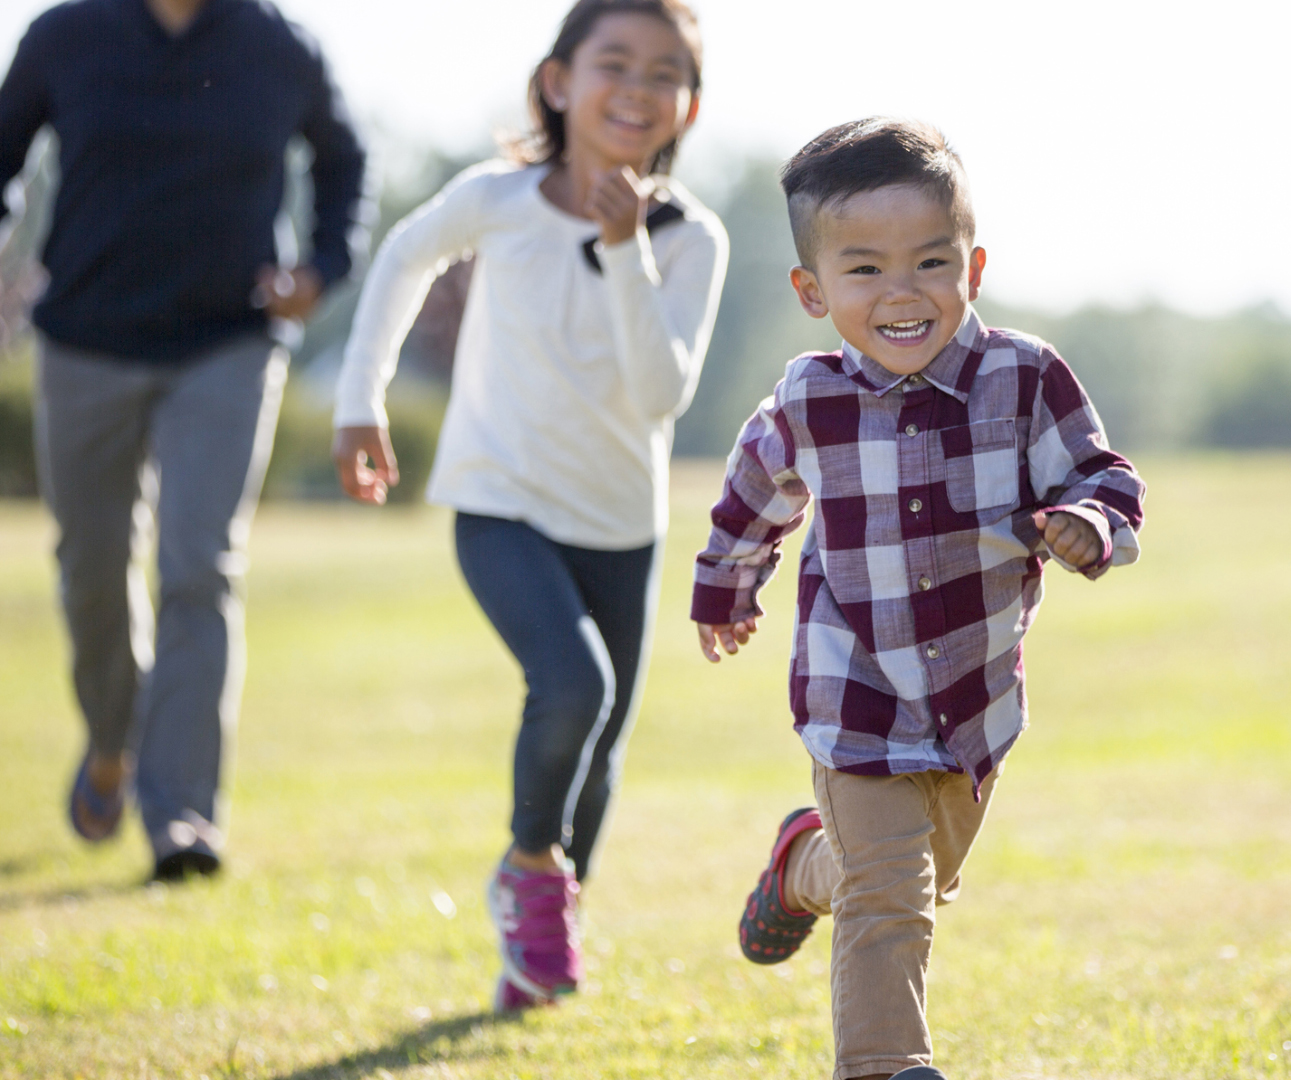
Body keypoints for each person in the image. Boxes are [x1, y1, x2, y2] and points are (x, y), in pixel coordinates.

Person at [694, 119, 1148, 1080]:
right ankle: (886, 1063)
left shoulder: (1024, 377)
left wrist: (1087, 522)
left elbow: (1101, 475)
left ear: (972, 267)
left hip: (975, 702)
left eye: (931, 262)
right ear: (813, 291)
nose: (902, 292)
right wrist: (725, 586)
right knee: (891, 898)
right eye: (864, 269)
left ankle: (800, 867)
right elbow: (752, 495)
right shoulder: (808, 400)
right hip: (855, 692)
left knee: (908, 884)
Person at [331, 0, 725, 1014]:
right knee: (572, 684)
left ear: (688, 105)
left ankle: (540, 940)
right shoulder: (496, 199)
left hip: (622, 523)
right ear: (558, 82)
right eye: (614, 63)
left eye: (665, 73)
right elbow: (403, 256)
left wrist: (626, 245)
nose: (637, 89)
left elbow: (660, 392)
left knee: (601, 750)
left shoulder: (691, 238)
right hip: (498, 499)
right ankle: (528, 870)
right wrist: (359, 399)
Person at [0, 0, 367, 882]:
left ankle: (182, 816)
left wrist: (322, 266)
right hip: (85, 343)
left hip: (228, 343)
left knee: (198, 567)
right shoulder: (65, 35)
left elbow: (345, 162)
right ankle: (113, 742)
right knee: (91, 568)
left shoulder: (277, 45)